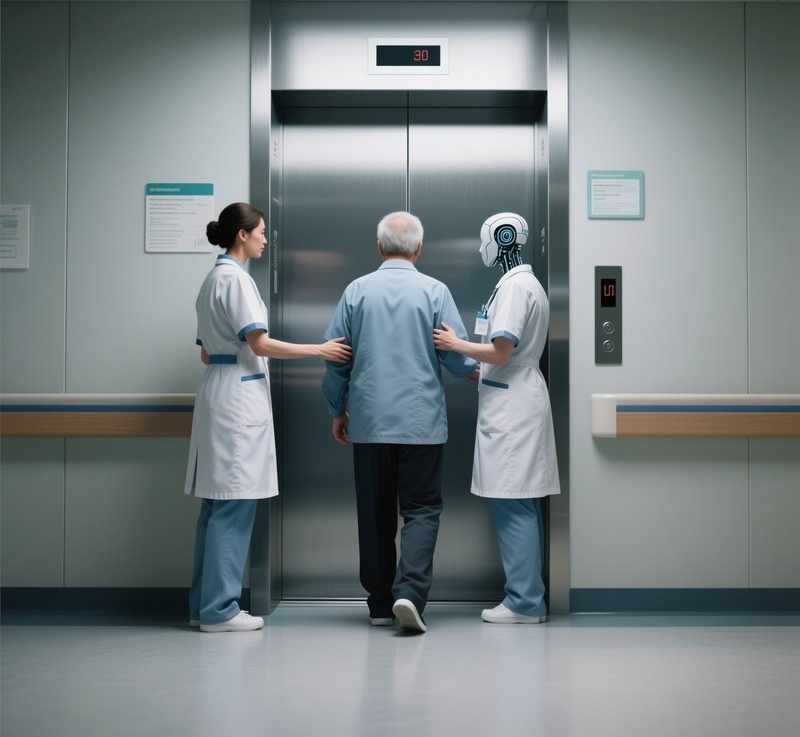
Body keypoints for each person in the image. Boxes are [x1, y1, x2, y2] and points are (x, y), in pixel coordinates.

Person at [186, 202, 351, 633]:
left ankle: (202, 606)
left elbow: (206, 350)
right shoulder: (235, 281)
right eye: (261, 231)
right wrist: (320, 350)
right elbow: (259, 344)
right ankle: (220, 611)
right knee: (234, 506)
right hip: (236, 399)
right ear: (242, 235)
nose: (265, 238)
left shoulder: (212, 280)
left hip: (218, 390)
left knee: (216, 507)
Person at [322, 211, 477, 634]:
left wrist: (338, 410)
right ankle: (409, 592)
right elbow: (456, 355)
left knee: (374, 512)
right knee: (422, 509)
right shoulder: (435, 291)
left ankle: (378, 603)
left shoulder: (356, 291)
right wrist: (479, 371)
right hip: (421, 422)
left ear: (379, 247)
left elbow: (335, 357)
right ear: (419, 249)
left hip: (369, 422)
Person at [433, 212, 560, 624]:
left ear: (503, 238)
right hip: (513, 396)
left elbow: (502, 350)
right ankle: (527, 598)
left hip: (514, 406)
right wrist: (476, 368)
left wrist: (457, 343)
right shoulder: (519, 284)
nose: (479, 248)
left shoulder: (516, 287)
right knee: (518, 501)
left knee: (513, 501)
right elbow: (503, 356)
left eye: (483, 238)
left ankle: (523, 602)